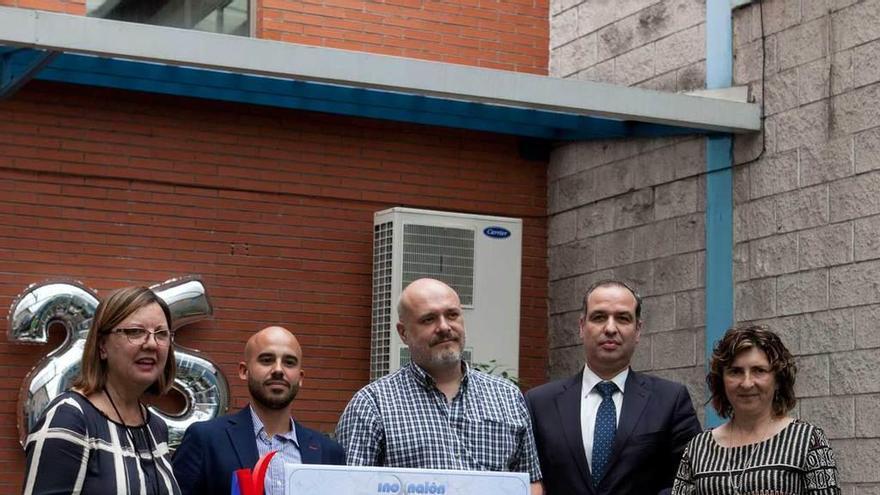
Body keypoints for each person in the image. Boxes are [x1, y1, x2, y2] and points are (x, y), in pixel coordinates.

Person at [335, 278, 544, 494]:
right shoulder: (372, 405)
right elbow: (352, 488)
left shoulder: (507, 396)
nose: (444, 327)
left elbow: (530, 482)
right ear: (403, 332)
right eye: (428, 319)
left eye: (452, 315)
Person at [526, 279, 701, 495]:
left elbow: (691, 480)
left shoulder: (670, 400)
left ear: (638, 330)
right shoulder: (539, 403)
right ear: (582, 327)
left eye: (622, 318)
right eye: (599, 317)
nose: (610, 328)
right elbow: (529, 479)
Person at [22, 286, 181, 494]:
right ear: (102, 346)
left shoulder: (155, 428)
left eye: (161, 334)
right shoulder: (69, 419)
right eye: (135, 331)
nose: (152, 344)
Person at [172, 325, 344, 495]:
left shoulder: (329, 453)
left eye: (289, 363)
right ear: (244, 371)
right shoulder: (206, 440)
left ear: (300, 377)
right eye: (267, 360)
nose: (278, 370)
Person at [672, 325, 840, 495]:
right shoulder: (698, 448)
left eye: (759, 371)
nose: (746, 383)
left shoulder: (808, 441)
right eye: (735, 371)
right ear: (721, 381)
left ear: (778, 380)